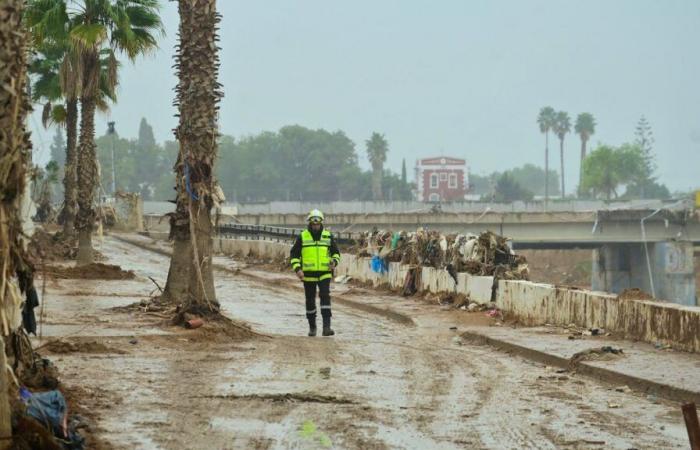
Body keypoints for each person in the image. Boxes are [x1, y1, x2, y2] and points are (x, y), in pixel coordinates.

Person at [289, 209, 340, 336]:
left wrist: (334, 261)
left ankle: (326, 328)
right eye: (313, 223)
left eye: (318, 223)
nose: (316, 226)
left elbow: (336, 253)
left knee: (325, 297)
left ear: (321, 223)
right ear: (310, 223)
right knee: (310, 301)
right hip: (308, 275)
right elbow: (294, 255)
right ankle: (312, 328)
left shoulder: (328, 236)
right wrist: (297, 269)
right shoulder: (302, 236)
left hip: (324, 273)